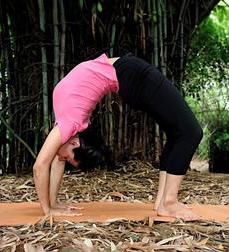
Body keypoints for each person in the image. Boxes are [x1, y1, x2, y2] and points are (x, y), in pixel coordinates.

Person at [33, 53, 203, 221]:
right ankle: (169, 202)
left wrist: (48, 209)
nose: (62, 158)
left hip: (133, 76)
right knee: (189, 132)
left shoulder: (70, 122)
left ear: (75, 142)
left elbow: (40, 166)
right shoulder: (73, 124)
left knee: (182, 133)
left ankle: (163, 202)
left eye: (69, 159)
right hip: (129, 77)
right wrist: (52, 206)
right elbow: (54, 162)